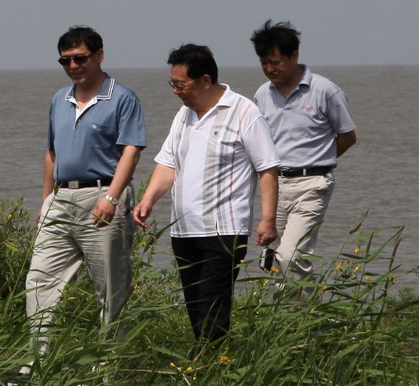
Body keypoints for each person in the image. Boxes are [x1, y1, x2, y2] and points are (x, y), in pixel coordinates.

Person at [133, 44, 280, 345]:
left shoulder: (244, 112)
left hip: (223, 232)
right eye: (172, 84)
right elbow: (168, 163)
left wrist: (268, 219)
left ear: (205, 80)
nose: (176, 91)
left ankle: (212, 362)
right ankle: (206, 361)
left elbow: (267, 168)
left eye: (181, 84)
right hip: (184, 232)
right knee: (195, 308)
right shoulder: (183, 115)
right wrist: (147, 201)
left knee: (214, 309)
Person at [22, 26, 146, 372]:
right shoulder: (59, 99)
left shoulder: (122, 98)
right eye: (65, 61)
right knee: (39, 280)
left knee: (111, 288)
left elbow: (132, 151)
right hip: (61, 200)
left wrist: (112, 197)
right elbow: (51, 153)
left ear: (99, 55)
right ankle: (38, 361)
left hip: (102, 197)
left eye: (80, 58)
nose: (73, 66)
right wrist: (45, 200)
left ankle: (109, 366)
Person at [250, 20, 357, 299]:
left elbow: (347, 136)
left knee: (292, 255)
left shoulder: (325, 91)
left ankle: (306, 316)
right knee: (274, 259)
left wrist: (318, 159)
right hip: (275, 185)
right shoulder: (262, 94)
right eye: (264, 63)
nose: (270, 69)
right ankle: (288, 318)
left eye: (275, 62)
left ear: (294, 55)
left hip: (313, 183)